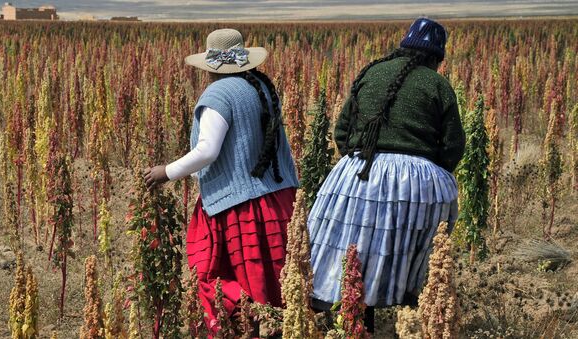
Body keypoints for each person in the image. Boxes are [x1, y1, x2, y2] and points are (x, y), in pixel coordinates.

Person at [307, 18, 465, 332]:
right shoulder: (437, 85)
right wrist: (432, 174)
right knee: (411, 252)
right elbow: (452, 146)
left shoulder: (371, 72)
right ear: (436, 57)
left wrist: (355, 166)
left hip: (360, 169)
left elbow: (342, 131)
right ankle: (409, 316)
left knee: (355, 251)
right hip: (416, 180)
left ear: (403, 45)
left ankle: (356, 322)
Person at [143, 28, 299, 333]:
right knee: (277, 282)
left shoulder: (218, 94)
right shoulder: (261, 87)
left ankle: (247, 325)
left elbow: (207, 151)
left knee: (213, 277)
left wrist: (166, 172)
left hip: (239, 206)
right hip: (277, 200)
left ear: (210, 67)